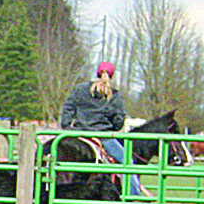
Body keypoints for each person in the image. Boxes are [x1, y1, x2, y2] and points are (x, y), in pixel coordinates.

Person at [59, 60, 143, 197]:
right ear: (112, 75)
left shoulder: (80, 89)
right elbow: (119, 120)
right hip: (103, 137)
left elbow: (68, 107)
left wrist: (67, 126)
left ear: (97, 73)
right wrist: (112, 126)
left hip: (78, 133)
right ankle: (132, 195)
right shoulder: (114, 95)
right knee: (127, 161)